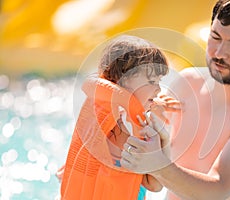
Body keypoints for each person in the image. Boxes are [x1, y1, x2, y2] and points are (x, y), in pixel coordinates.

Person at [120, 0, 230, 199]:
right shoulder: (188, 84)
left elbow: (217, 191)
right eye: (215, 37)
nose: (219, 52)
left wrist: (158, 166)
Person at [59, 35, 172, 200]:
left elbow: (154, 184)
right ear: (123, 80)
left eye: (159, 82)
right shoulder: (131, 125)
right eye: (152, 81)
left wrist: (163, 136)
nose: (158, 90)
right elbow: (155, 184)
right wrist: (161, 137)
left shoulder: (103, 116)